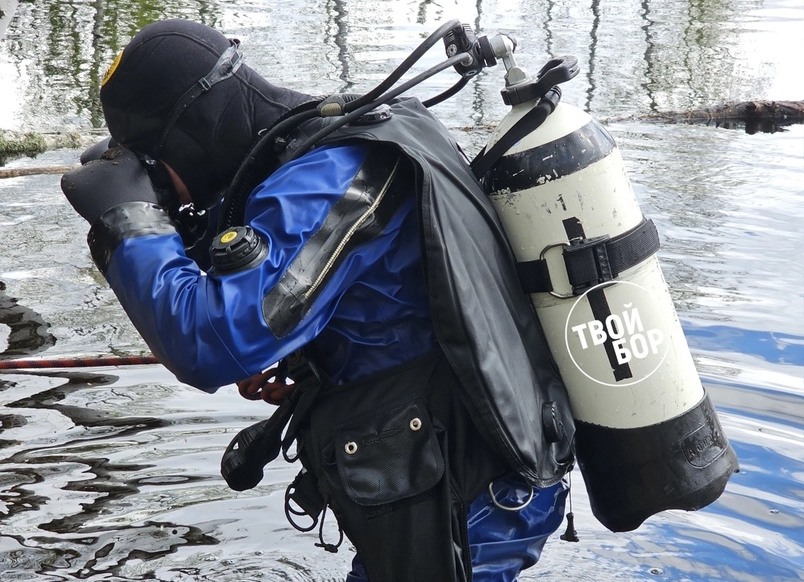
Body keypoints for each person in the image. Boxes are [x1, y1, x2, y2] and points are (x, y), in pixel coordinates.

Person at [61, 19, 576, 582]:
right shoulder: (333, 139)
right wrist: (304, 357)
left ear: (188, 136)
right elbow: (392, 303)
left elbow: (208, 344)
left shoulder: (328, 178)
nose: (164, 192)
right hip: (457, 475)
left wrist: (128, 223)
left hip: (476, 502)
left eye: (158, 173)